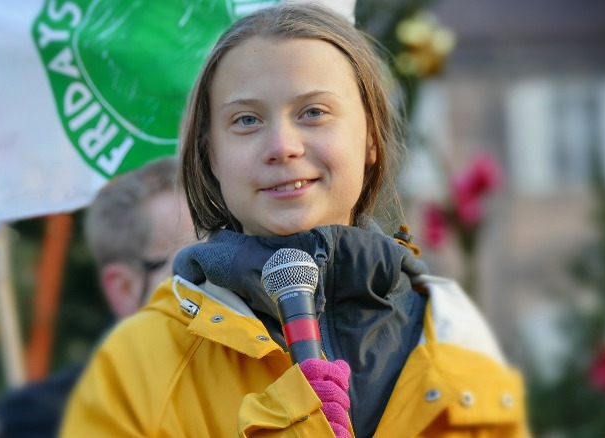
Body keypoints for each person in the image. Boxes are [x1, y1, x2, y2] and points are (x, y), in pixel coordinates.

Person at [60, 3, 528, 437]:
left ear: (370, 137)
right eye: (246, 120)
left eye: (313, 112)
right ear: (212, 156)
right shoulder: (137, 365)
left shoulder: (452, 331)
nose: (282, 145)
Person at [0, 156, 195, 438]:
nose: (221, 277)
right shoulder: (44, 419)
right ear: (123, 289)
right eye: (192, 265)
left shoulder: (263, 383)